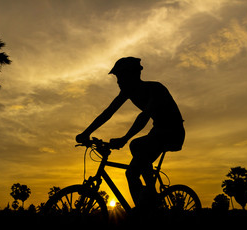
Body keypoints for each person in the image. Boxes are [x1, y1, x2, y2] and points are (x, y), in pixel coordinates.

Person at [76, 57, 185, 207]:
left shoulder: (156, 88)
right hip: (158, 132)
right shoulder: (128, 93)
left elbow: (144, 116)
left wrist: (124, 138)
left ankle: (143, 209)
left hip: (172, 132)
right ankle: (150, 198)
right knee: (136, 146)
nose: (118, 82)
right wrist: (86, 133)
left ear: (132, 75)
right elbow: (108, 113)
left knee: (132, 170)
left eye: (120, 77)